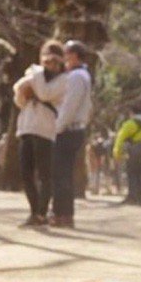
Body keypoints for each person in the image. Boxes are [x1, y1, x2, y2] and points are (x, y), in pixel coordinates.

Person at [12, 39, 66, 227]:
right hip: (26, 126)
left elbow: (45, 94)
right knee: (26, 173)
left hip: (44, 130)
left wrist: (34, 75)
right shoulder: (37, 75)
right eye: (47, 61)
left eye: (54, 61)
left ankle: (42, 213)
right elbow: (19, 92)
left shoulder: (62, 80)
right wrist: (27, 88)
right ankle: (34, 211)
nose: (50, 65)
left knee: (44, 174)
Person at [49, 39, 93, 229]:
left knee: (61, 174)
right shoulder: (83, 75)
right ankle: (63, 213)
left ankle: (62, 214)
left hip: (68, 129)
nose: (64, 58)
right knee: (63, 173)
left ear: (74, 55)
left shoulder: (76, 76)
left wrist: (57, 127)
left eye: (66, 53)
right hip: (75, 129)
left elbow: (69, 106)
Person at [112, 100, 141, 207]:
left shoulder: (130, 123)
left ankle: (134, 197)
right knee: (140, 173)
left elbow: (120, 138)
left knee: (133, 173)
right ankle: (139, 197)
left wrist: (117, 153)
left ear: (132, 113)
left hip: (135, 149)